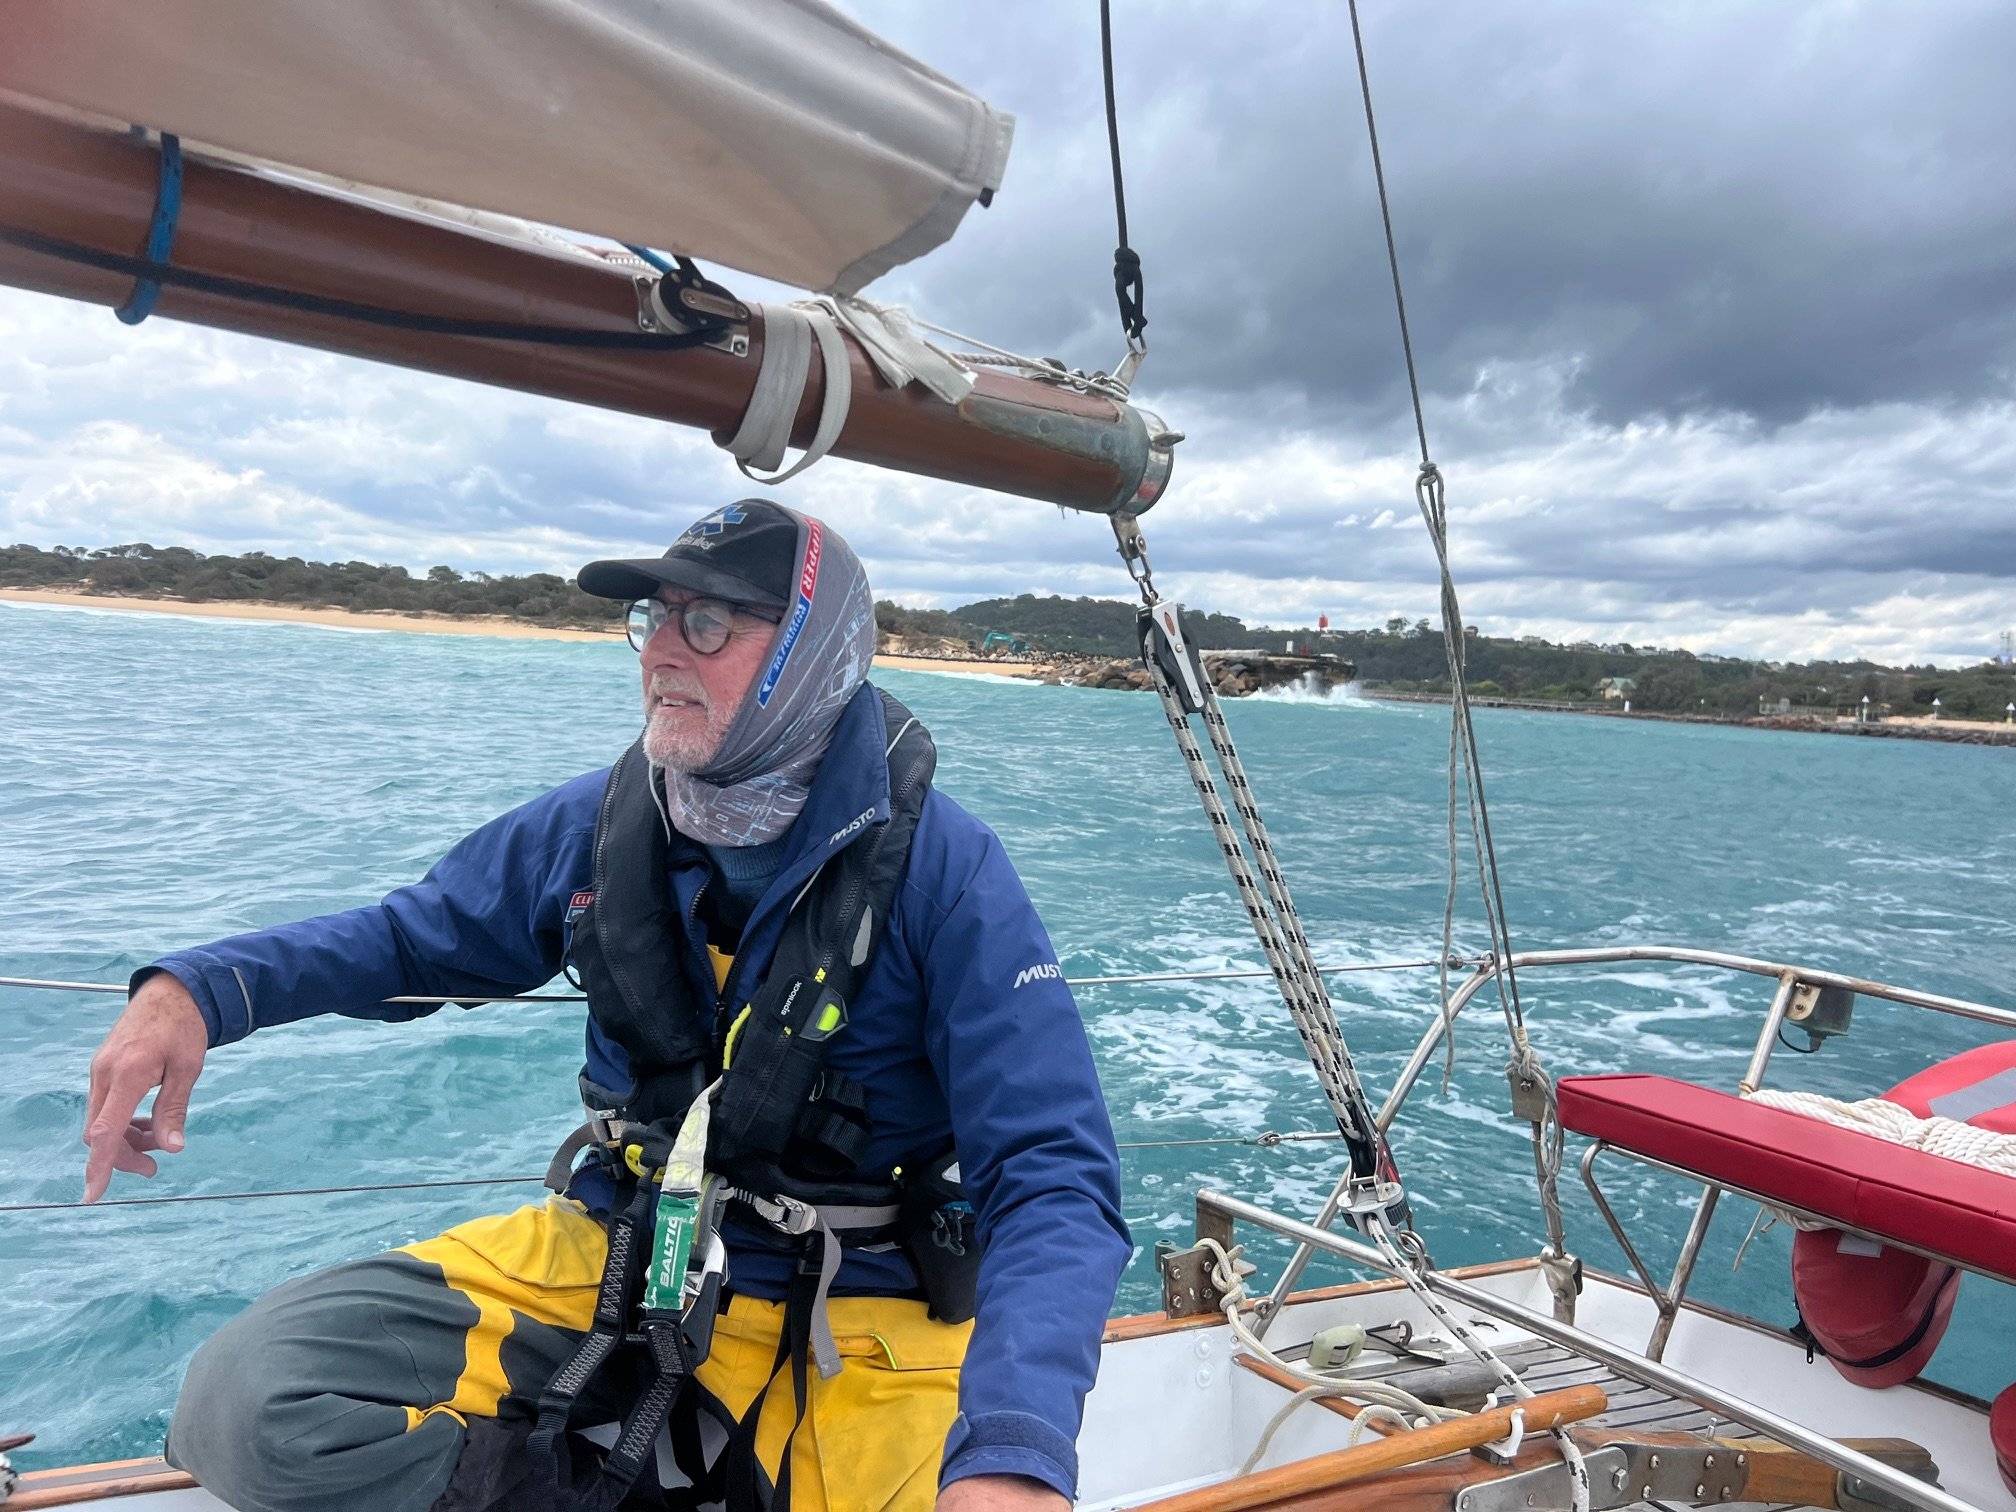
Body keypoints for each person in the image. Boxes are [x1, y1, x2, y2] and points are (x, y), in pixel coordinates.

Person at [81, 500, 1131, 1512]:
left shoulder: (946, 873)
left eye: (707, 622)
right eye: (652, 617)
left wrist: (1015, 1447)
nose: (661, 651)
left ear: (812, 652)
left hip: (852, 1308)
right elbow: (412, 939)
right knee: (247, 1406)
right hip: (620, 1251)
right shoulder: (603, 821)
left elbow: (1053, 1178)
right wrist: (202, 992)